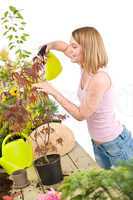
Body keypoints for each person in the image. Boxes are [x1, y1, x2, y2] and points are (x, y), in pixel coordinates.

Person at [33, 26, 133, 169]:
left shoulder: (99, 79)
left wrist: (53, 91)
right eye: (71, 45)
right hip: (98, 145)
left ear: (87, 49)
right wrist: (50, 46)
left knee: (127, 190)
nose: (69, 50)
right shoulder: (84, 65)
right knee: (111, 189)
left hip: (116, 145)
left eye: (74, 46)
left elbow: (81, 115)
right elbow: (63, 47)